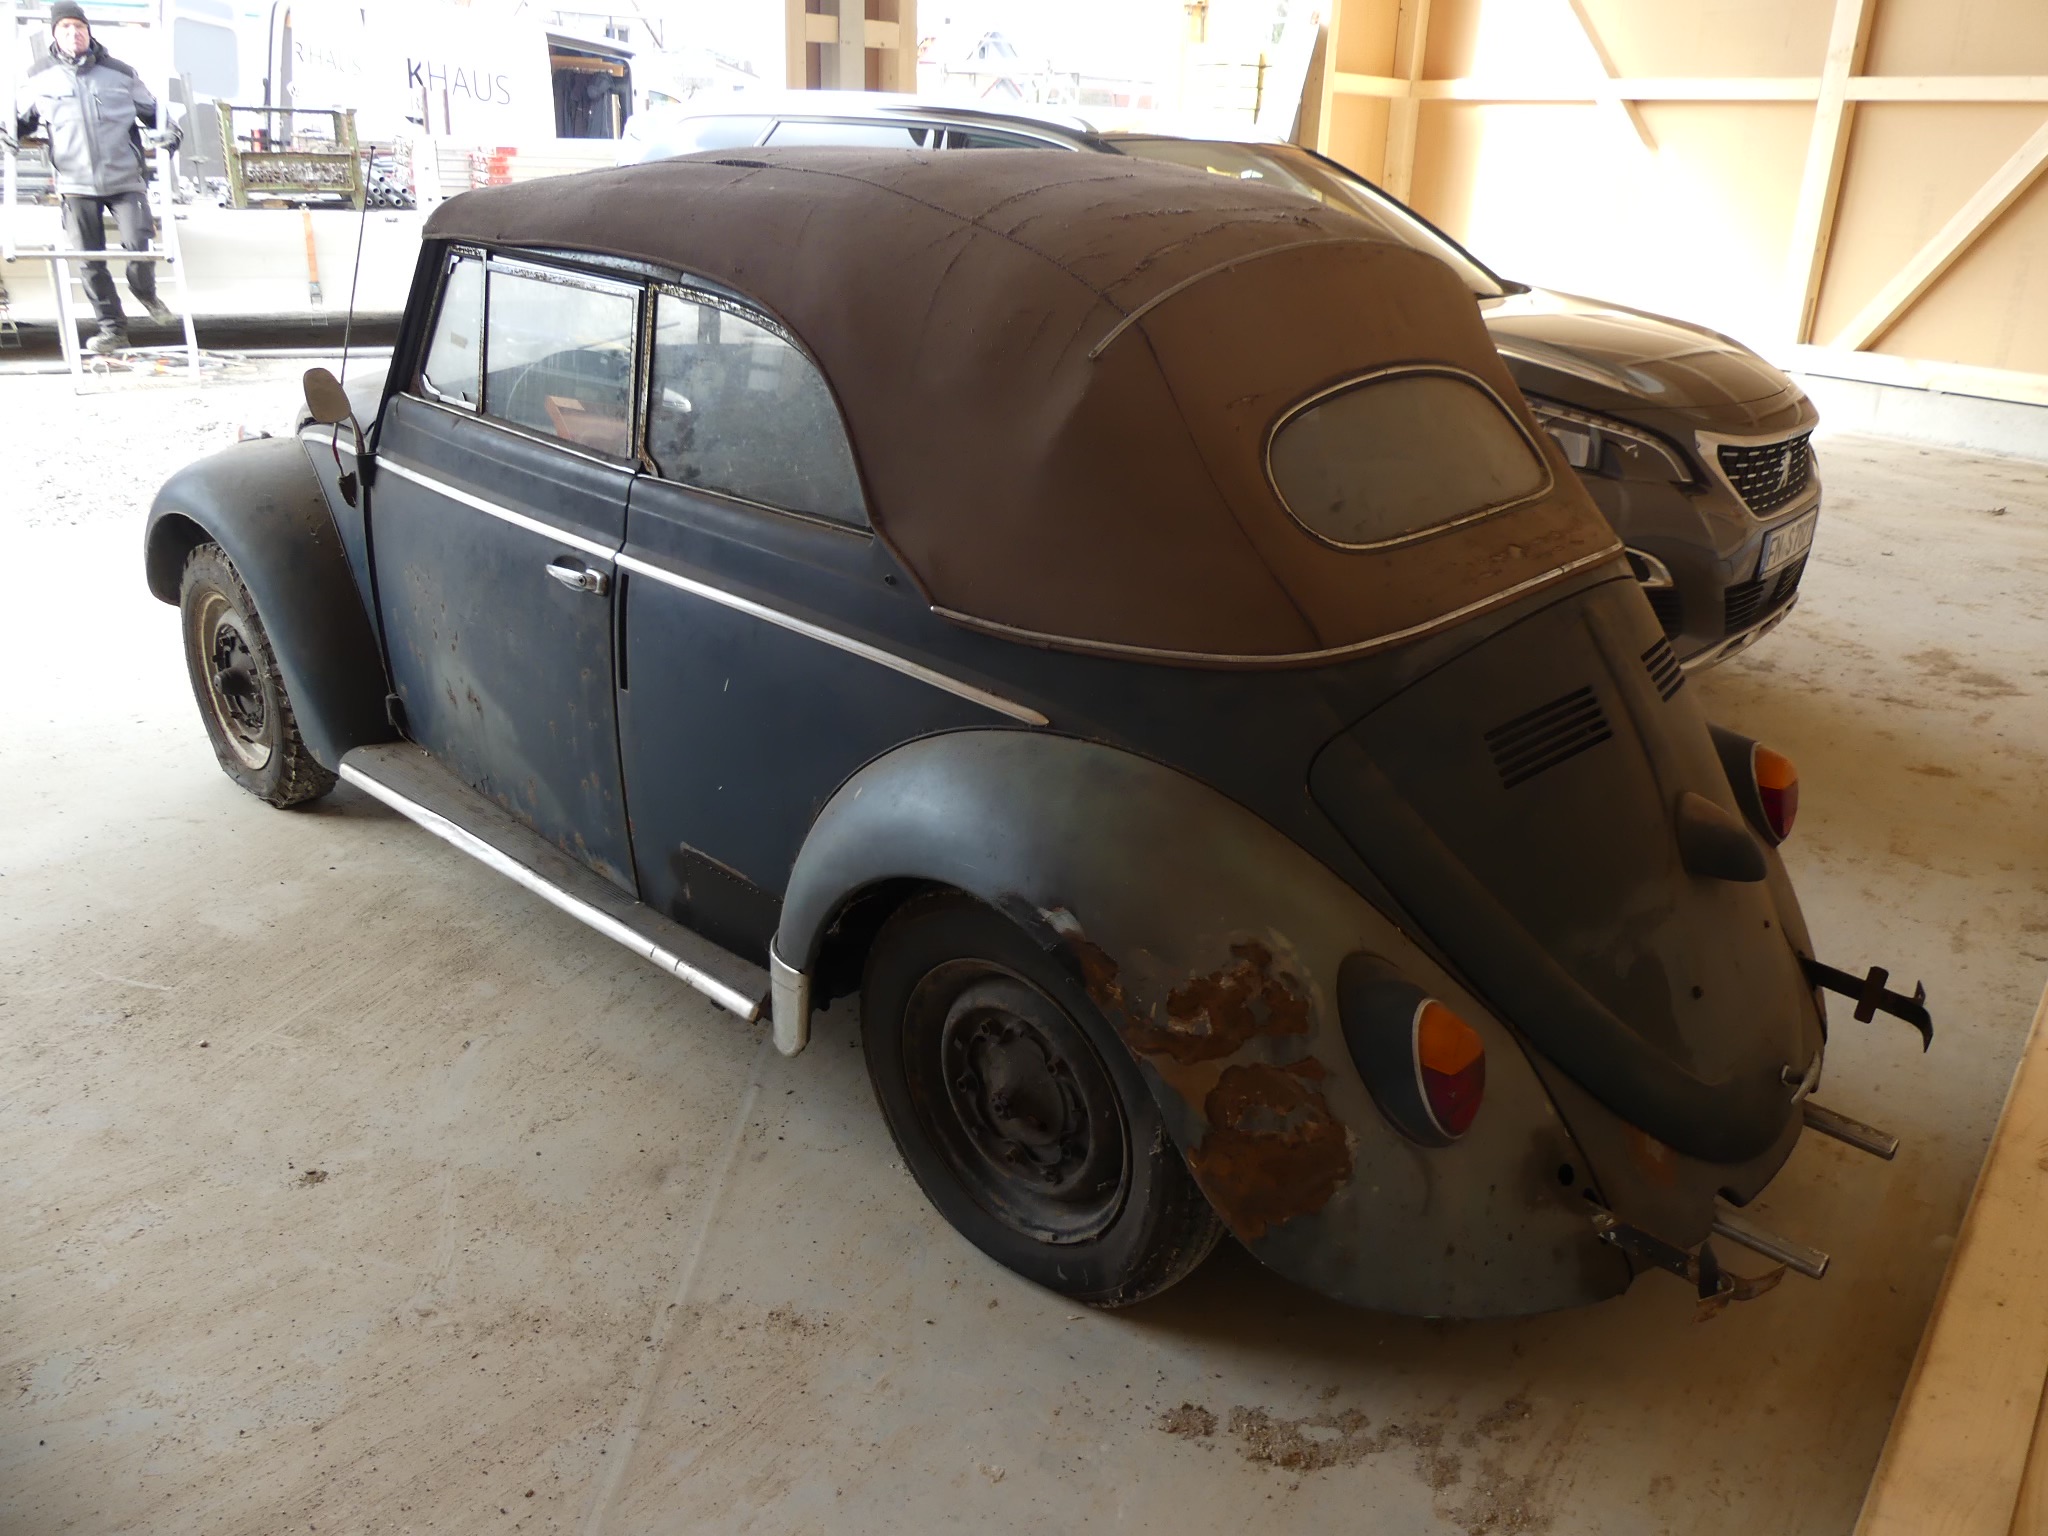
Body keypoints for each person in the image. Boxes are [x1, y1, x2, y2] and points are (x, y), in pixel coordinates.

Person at [4, 1, 180, 354]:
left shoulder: (120, 73)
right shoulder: (39, 75)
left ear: (89, 31)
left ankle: (144, 291)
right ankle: (113, 330)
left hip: (125, 181)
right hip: (75, 184)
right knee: (89, 261)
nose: (74, 34)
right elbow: (18, 121)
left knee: (140, 250)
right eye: (65, 28)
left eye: (79, 27)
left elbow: (157, 115)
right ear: (55, 34)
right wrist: (7, 133)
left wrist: (171, 134)